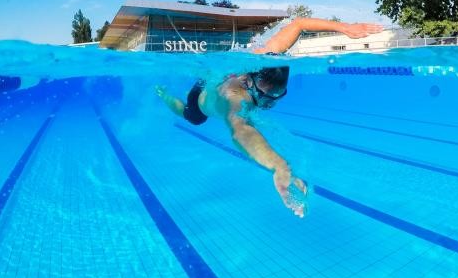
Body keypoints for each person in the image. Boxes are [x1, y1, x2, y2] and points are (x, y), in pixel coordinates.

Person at [156, 17, 383, 217]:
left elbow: (299, 24)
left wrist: (345, 27)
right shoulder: (236, 96)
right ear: (248, 83)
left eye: (277, 97)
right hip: (202, 98)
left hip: (222, 76)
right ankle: (163, 94)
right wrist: (279, 166)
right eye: (265, 98)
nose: (269, 104)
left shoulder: (267, 57)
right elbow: (239, 130)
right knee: (192, 116)